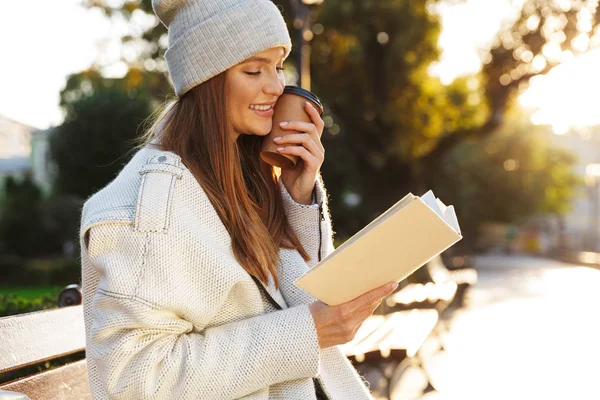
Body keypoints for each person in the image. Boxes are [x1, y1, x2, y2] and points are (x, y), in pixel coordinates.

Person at [79, 0, 398, 398]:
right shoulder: (150, 204)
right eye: (254, 70)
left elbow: (303, 303)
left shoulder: (238, 177)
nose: (276, 86)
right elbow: (133, 380)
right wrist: (304, 333)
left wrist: (296, 198)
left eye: (278, 66)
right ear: (206, 78)